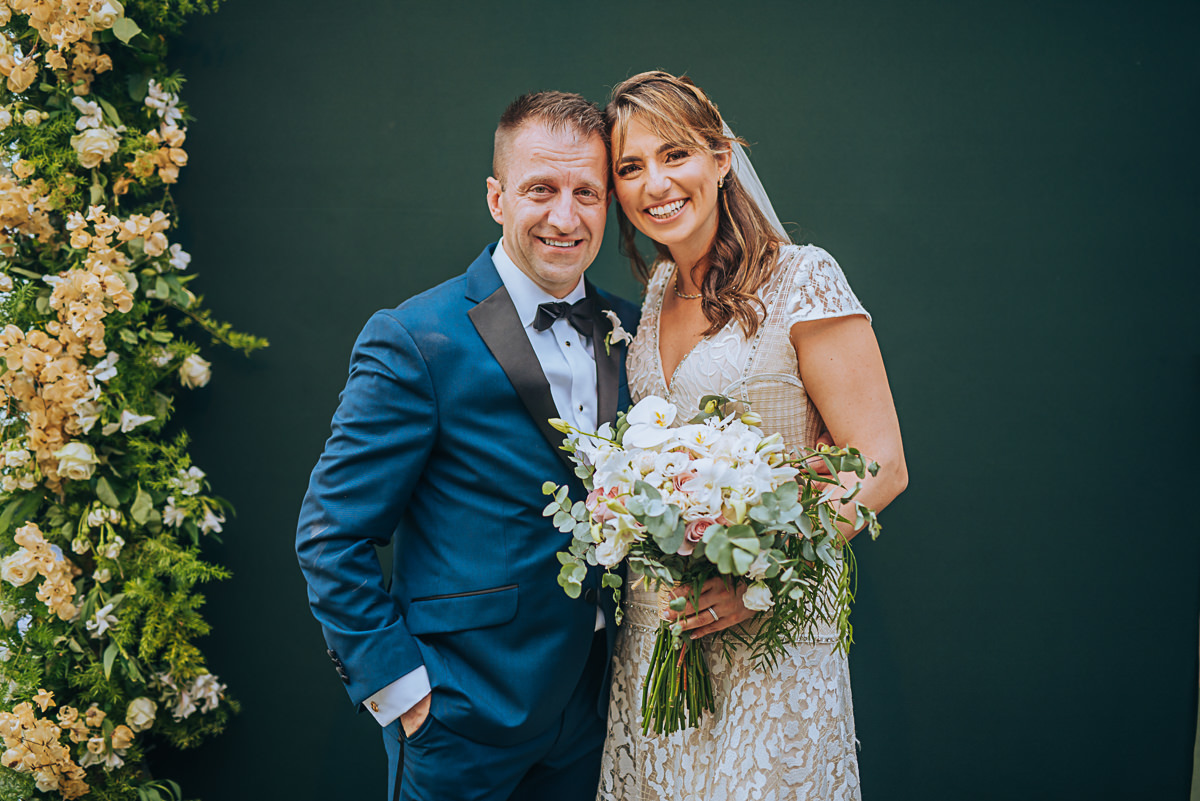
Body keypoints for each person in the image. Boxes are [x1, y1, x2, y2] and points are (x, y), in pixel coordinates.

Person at [294, 91, 641, 801]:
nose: (565, 217)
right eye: (540, 189)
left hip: (593, 714)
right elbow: (331, 536)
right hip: (460, 717)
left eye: (587, 192)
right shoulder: (415, 337)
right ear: (496, 197)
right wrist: (405, 695)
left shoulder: (632, 329)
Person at [596, 71, 908, 800]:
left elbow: (883, 466)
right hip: (658, 635)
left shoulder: (804, 279)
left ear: (721, 158)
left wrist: (759, 579)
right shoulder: (653, 296)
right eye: (630, 167)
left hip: (770, 638)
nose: (656, 183)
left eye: (675, 155)